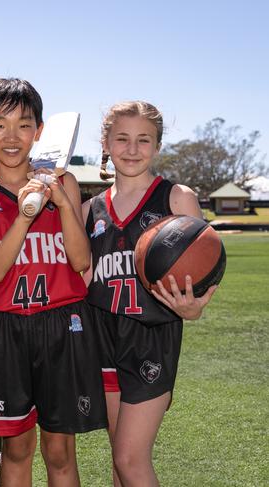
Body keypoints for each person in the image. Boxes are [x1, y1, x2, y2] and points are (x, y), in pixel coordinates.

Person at [0, 78, 107, 487]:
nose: (12, 136)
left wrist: (59, 201)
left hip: (63, 323)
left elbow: (80, 260)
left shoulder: (65, 183)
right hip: (9, 329)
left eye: (23, 125)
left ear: (39, 131)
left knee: (59, 450)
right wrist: (25, 214)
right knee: (17, 450)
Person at [82, 101, 218, 487]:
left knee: (130, 459)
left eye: (144, 140)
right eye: (121, 139)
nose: (132, 148)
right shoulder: (89, 210)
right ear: (105, 143)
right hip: (102, 338)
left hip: (151, 340)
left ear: (157, 146)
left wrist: (193, 309)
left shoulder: (177, 198)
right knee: (117, 461)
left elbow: (204, 271)